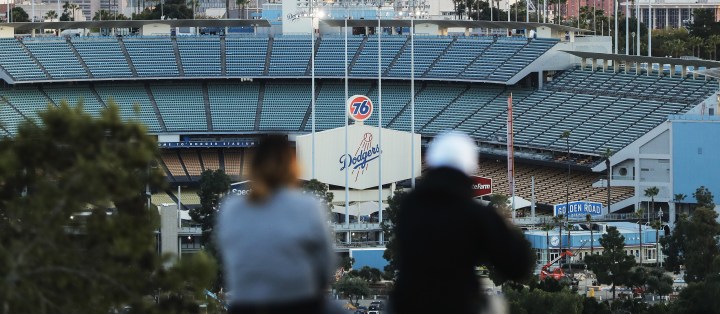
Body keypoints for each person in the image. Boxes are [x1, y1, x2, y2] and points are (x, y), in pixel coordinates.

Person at [391, 132, 534, 314]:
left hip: (406, 304)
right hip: (458, 304)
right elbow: (517, 267)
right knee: (496, 306)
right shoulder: (475, 214)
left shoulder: (408, 207)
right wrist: (505, 228)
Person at [217, 135, 335, 314]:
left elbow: (229, 257)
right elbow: (325, 266)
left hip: (246, 305)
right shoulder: (308, 205)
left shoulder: (231, 208)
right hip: (299, 303)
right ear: (292, 167)